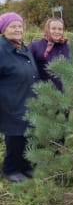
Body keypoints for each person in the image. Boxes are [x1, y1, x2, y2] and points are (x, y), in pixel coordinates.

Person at [0, 12, 39, 182]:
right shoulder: (2, 50)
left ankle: (25, 165)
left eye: (19, 26)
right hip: (11, 101)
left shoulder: (23, 47)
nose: (17, 29)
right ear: (3, 29)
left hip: (28, 99)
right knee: (15, 136)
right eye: (12, 26)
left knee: (28, 134)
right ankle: (11, 169)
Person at [29, 17, 69, 91]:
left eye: (60, 29)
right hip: (43, 93)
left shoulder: (66, 46)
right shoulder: (35, 46)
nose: (57, 31)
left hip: (64, 95)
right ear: (47, 29)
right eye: (53, 28)